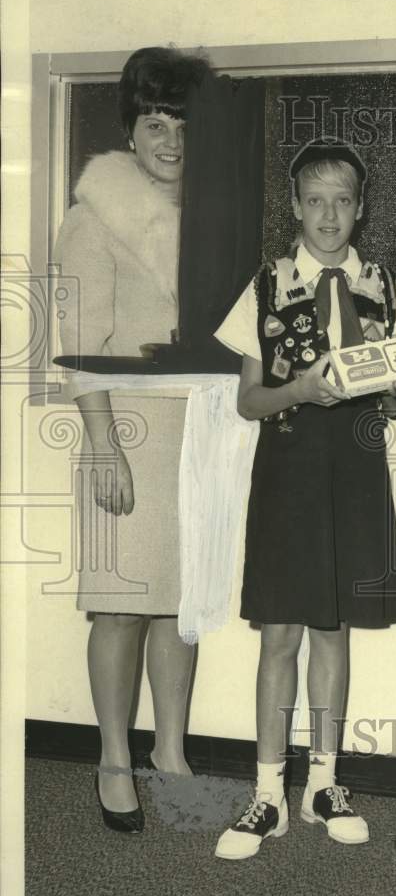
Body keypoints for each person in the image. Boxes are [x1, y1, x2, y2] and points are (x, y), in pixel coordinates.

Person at [213, 138, 396, 859]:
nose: (329, 214)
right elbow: (247, 401)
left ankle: (323, 783)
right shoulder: (264, 286)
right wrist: (297, 388)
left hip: (354, 474)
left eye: (343, 201)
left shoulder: (383, 286)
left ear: (360, 210)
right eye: (315, 200)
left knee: (335, 630)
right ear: (295, 206)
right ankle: (267, 793)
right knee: (282, 634)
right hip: (290, 474)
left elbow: (393, 403)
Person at [55, 46, 211, 831]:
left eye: (183, 120)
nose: (171, 138)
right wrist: (104, 445)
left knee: (179, 605)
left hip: (197, 432)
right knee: (119, 606)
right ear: (132, 127)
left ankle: (171, 752)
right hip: (122, 429)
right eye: (157, 121)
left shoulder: (214, 216)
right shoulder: (92, 218)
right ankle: (115, 757)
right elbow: (77, 342)